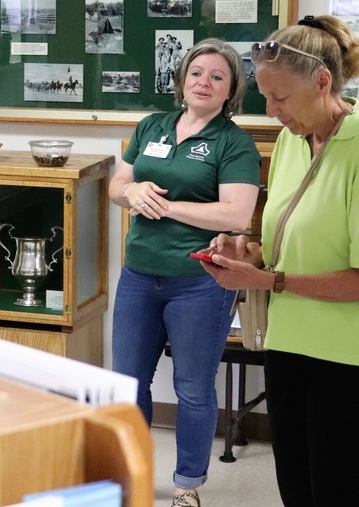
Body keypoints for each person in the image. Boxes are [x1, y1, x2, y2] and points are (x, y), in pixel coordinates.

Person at [202, 15, 359, 507]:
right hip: (289, 345)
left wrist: (268, 280)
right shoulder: (292, 140)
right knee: (297, 490)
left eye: (281, 98)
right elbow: (290, 241)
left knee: (338, 494)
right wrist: (247, 254)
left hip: (349, 357)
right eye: (266, 98)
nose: (273, 111)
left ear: (323, 82)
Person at [109, 38, 261, 507]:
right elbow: (119, 183)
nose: (204, 82)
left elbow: (237, 214)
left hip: (199, 283)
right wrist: (131, 195)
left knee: (192, 388)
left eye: (218, 77)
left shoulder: (233, 142)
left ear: (230, 90)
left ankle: (186, 487)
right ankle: (131, 478)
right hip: (138, 275)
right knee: (128, 385)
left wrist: (167, 205)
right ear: (182, 78)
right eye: (197, 72)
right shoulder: (152, 125)